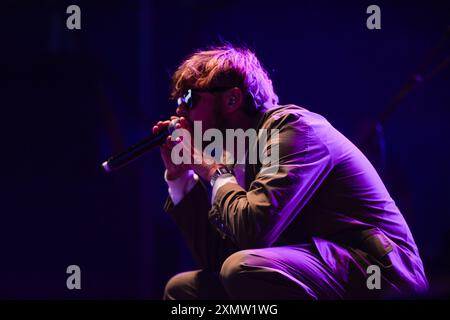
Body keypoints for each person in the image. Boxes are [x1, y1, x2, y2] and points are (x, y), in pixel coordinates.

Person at [152, 44, 428, 299]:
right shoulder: (238, 154)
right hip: (320, 268)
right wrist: (180, 178)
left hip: (378, 273)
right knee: (185, 291)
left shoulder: (294, 129)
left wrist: (210, 169)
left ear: (233, 99)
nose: (179, 110)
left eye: (189, 98)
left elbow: (253, 232)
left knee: (242, 268)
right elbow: (217, 258)